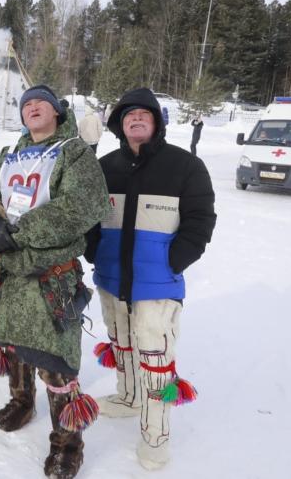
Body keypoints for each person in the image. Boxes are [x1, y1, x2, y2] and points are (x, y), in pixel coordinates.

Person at [0, 84, 109, 478]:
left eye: (40, 103)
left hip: (50, 276)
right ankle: (22, 400)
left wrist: (18, 231)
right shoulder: (9, 156)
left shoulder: (74, 153)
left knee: (55, 363)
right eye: (26, 104)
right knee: (14, 344)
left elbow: (80, 207)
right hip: (8, 272)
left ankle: (67, 443)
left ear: (57, 113)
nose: (32, 108)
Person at [85, 87, 216, 471]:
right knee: (121, 343)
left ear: (157, 122)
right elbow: (90, 217)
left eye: (144, 114)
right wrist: (94, 252)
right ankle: (128, 398)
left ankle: (155, 435)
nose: (136, 119)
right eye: (128, 116)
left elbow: (200, 220)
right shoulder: (105, 167)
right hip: (111, 279)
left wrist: (174, 260)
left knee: (155, 357)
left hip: (156, 284)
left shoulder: (184, 166)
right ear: (119, 125)